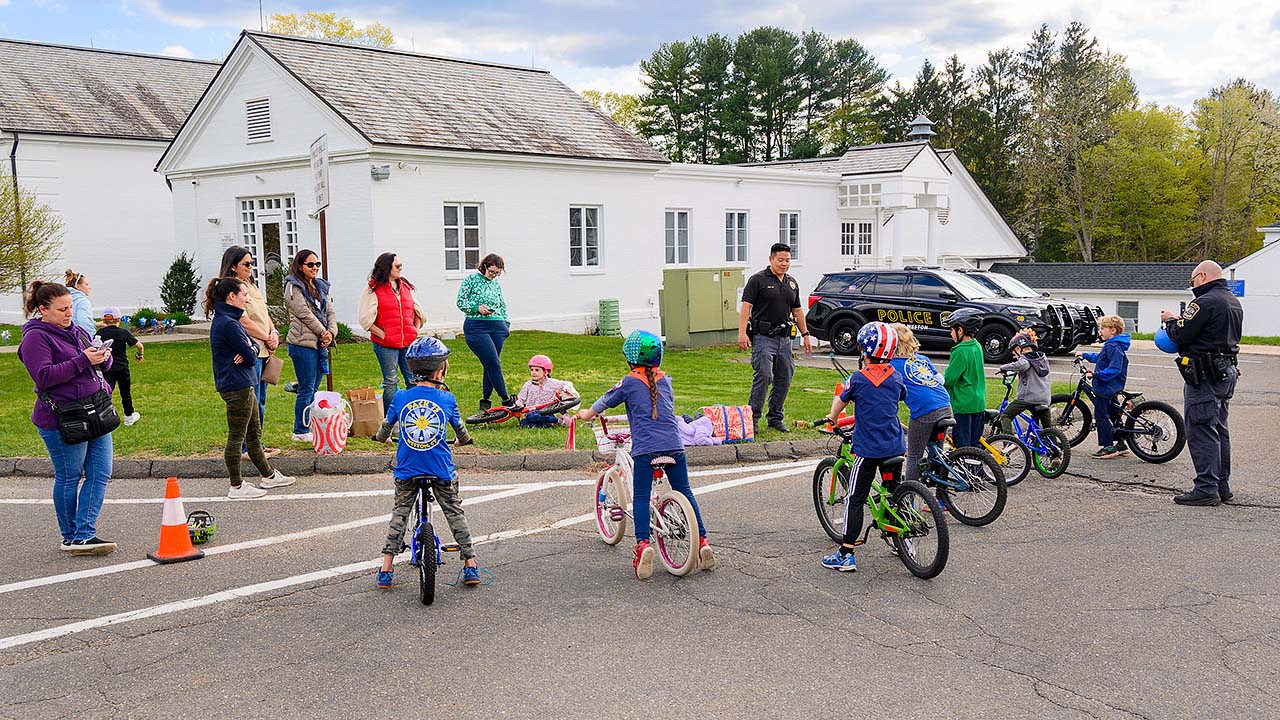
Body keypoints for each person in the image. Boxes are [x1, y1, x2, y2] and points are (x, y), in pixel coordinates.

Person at [574, 330, 715, 580]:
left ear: (629, 358)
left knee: (640, 496)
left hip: (646, 450)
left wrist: (585, 414)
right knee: (685, 491)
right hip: (675, 446)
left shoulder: (629, 382)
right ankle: (702, 541)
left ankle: (642, 545)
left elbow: (604, 402)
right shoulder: (666, 379)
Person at [373, 336, 482, 589]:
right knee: (454, 511)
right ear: (440, 369)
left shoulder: (400, 397)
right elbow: (462, 432)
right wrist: (462, 441)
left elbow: (384, 429)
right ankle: (470, 564)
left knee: (400, 513)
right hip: (439, 468)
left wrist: (381, 439)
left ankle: (387, 568)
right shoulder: (447, 399)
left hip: (408, 469)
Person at [17, 281, 118, 555]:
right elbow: (44, 376)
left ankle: (84, 534)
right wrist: (84, 361)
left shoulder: (77, 331)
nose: (68, 314)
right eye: (61, 309)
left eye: (70, 308)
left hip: (95, 410)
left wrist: (103, 357)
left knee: (100, 473)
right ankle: (70, 536)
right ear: (43, 310)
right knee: (69, 475)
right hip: (62, 418)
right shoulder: (36, 338)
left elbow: (99, 364)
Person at [821, 322, 907, 572]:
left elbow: (840, 400)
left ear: (864, 350)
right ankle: (898, 541)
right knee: (893, 494)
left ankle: (846, 553)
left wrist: (833, 417)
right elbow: (899, 397)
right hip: (894, 446)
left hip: (868, 450)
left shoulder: (857, 379)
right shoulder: (896, 376)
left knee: (855, 498)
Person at [1160, 260, 1243, 506]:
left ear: (1203, 276)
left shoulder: (1203, 302)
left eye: (1193, 280)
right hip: (1226, 371)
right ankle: (1221, 485)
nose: (1192, 285)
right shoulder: (1232, 301)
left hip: (1205, 375)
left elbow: (1181, 335)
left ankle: (1206, 488)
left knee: (1201, 428)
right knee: (1219, 429)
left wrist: (1171, 320)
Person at [205, 277, 296, 499]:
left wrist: (251, 348)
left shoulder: (230, 320)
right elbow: (249, 353)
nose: (246, 299)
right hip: (236, 385)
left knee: (253, 434)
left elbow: (252, 346)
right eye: (244, 295)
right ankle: (236, 486)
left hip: (243, 382)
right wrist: (251, 350)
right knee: (237, 437)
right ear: (231, 297)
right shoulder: (228, 323)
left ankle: (269, 476)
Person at [737, 243, 813, 434]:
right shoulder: (758, 280)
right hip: (763, 337)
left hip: (784, 339)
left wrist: (805, 335)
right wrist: (742, 333)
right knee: (764, 375)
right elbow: (746, 307)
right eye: (780, 260)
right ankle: (752, 419)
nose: (784, 264)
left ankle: (775, 418)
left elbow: (797, 311)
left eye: (787, 260)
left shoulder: (791, 283)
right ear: (771, 259)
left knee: (785, 376)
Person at [220, 246, 281, 457]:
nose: (250, 267)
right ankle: (248, 447)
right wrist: (266, 337)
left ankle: (258, 445)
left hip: (264, 349)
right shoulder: (231, 290)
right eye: (246, 264)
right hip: (249, 350)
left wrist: (273, 333)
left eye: (251, 263)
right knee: (250, 403)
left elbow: (263, 314)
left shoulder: (251, 287)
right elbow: (243, 321)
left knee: (260, 401)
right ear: (233, 266)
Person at [359, 252, 426, 411]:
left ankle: (414, 414)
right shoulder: (372, 289)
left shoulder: (406, 287)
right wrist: (383, 335)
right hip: (385, 345)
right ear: (386, 268)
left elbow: (417, 311)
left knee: (413, 379)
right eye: (397, 266)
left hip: (408, 343)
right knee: (390, 381)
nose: (400, 268)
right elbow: (365, 319)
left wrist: (414, 330)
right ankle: (389, 421)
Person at [284, 249, 337, 443]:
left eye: (317, 264)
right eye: (310, 265)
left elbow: (330, 311)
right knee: (307, 388)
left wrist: (331, 333)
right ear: (300, 266)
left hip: (320, 344)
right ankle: (300, 430)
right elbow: (303, 313)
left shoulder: (320, 286)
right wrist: (323, 332)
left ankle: (310, 425)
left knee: (314, 387)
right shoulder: (293, 286)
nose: (315, 268)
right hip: (302, 344)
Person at [888, 323, 953, 483]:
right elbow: (941, 380)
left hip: (924, 411)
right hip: (944, 404)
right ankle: (941, 499)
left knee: (914, 455)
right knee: (937, 452)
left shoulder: (891, 365)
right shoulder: (923, 359)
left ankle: (908, 498)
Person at [455, 253, 512, 411]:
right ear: (485, 266)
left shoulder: (495, 284)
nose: (494, 276)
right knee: (493, 362)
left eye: (497, 273)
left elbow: (502, 304)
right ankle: (506, 399)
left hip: (498, 326)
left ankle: (485, 399)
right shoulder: (471, 280)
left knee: (490, 364)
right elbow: (460, 301)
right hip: (476, 327)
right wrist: (476, 308)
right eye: (492, 272)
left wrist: (506, 324)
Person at [1076, 315, 1131, 459]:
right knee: (1114, 413)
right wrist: (1085, 354)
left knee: (1102, 416)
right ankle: (1120, 443)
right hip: (1111, 386)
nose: (1100, 331)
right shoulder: (1113, 345)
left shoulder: (1113, 346)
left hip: (1106, 386)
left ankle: (1108, 447)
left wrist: (1096, 375)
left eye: (1102, 328)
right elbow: (1101, 358)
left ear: (1113, 330)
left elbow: (1114, 368)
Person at [942, 308, 987, 448]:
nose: (951, 334)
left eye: (952, 330)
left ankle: (964, 470)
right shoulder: (976, 346)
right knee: (974, 446)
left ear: (960, 330)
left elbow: (949, 379)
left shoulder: (960, 351)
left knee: (963, 446)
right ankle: (975, 469)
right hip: (978, 402)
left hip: (963, 405)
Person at [995, 331, 1052, 435]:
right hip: (1044, 398)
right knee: (1048, 429)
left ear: (1018, 348)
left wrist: (1003, 367)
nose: (1014, 356)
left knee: (1006, 415)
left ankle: (1009, 441)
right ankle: (1054, 446)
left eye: (1014, 353)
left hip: (1028, 398)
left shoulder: (1025, 358)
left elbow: (1022, 365)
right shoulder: (1042, 358)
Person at [96, 307, 144, 426]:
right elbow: (139, 346)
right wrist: (139, 355)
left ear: (104, 320)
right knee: (125, 392)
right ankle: (129, 416)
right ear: (119, 319)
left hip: (107, 367)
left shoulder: (99, 333)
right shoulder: (123, 332)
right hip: (122, 367)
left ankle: (103, 415)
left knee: (107, 391)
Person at [515, 354, 578, 427]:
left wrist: (565, 388)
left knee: (529, 420)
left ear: (546, 371)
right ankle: (553, 422)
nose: (533, 372)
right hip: (531, 411)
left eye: (537, 370)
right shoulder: (528, 385)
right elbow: (521, 398)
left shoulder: (552, 383)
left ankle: (555, 421)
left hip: (547, 411)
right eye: (532, 370)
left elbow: (568, 383)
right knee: (526, 420)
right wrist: (519, 403)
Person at [64, 268, 98, 337]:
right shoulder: (83, 302)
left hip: (67, 336)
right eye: (86, 284)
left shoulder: (64, 299)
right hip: (81, 338)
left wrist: (95, 324)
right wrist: (91, 338)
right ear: (78, 286)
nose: (89, 287)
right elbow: (84, 321)